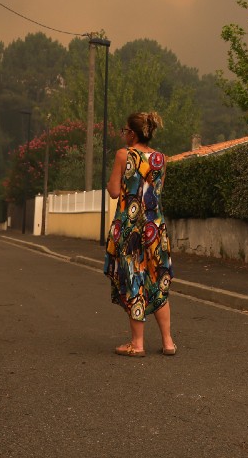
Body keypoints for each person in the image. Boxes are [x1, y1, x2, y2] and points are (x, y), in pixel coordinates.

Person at [104, 111, 176, 357]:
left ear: (132, 133)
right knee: (157, 280)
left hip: (131, 228)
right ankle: (168, 342)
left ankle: (137, 343)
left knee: (135, 279)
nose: (124, 135)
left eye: (125, 131)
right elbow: (157, 191)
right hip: (155, 228)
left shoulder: (124, 155)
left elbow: (114, 191)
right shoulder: (161, 158)